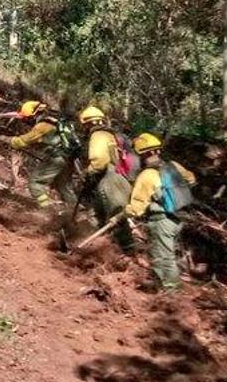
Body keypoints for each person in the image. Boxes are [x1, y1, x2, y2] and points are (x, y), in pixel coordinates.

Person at [124, 133, 197, 290]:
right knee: (168, 254)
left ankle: (171, 291)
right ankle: (164, 284)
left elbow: (137, 208)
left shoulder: (146, 175)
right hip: (178, 217)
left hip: (161, 221)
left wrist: (124, 213)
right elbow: (191, 179)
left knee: (163, 257)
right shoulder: (173, 166)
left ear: (143, 154)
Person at [77, 106, 135, 250]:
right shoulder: (110, 134)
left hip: (110, 180)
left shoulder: (98, 135)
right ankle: (99, 248)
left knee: (116, 216)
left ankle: (128, 251)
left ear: (87, 123)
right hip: (117, 178)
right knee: (98, 214)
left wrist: (87, 172)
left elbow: (99, 160)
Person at [6, 100, 77, 208]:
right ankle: (76, 212)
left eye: (27, 118)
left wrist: (7, 139)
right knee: (63, 186)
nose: (26, 122)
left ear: (34, 115)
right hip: (69, 159)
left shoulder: (43, 125)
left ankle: (47, 210)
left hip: (57, 158)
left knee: (35, 183)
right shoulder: (57, 122)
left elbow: (22, 142)